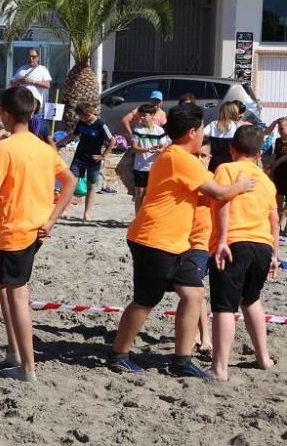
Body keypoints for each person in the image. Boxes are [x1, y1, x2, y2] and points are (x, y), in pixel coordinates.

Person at [109, 102, 257, 378]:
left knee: (194, 293)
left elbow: (195, 193)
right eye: (201, 129)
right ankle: (119, 354)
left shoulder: (177, 156)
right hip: (153, 238)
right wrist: (242, 185)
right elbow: (220, 193)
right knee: (145, 300)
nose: (203, 133)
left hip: (177, 242)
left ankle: (182, 359)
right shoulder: (180, 157)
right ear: (191, 132)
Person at [0, 87, 77, 382]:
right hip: (35, 228)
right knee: (3, 285)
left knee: (17, 293)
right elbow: (70, 182)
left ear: (7, 115)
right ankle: (14, 353)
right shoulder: (43, 148)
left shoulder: (7, 147)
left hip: (18, 230)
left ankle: (27, 368)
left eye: (0, 111)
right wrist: (51, 219)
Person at [209, 126, 278, 381]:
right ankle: (264, 358)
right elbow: (274, 220)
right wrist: (274, 253)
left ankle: (220, 368)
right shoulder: (266, 180)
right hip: (262, 245)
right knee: (251, 299)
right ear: (260, 153)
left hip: (235, 242)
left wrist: (222, 240)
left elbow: (224, 203)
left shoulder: (226, 169)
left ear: (231, 148)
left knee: (224, 306)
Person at [54, 103, 112, 221]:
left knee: (91, 185)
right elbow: (73, 135)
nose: (80, 119)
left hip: (93, 159)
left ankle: (87, 213)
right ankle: (65, 210)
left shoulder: (100, 125)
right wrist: (58, 143)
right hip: (79, 157)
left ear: (89, 114)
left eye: (82, 116)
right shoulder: (81, 123)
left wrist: (103, 155)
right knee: (71, 183)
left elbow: (112, 140)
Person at [189, 144, 213, 355]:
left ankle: (204, 336)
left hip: (204, 242)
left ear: (210, 157)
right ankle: (199, 334)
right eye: (196, 155)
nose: (199, 159)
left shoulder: (213, 180)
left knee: (197, 290)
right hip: (186, 241)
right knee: (194, 291)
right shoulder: (186, 179)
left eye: (203, 156)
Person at [130, 103, 170, 214]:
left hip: (154, 167)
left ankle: (147, 215)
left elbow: (164, 146)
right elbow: (134, 147)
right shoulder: (137, 130)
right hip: (140, 167)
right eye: (140, 115)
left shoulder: (159, 131)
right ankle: (137, 217)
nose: (141, 118)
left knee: (151, 193)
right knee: (139, 193)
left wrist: (159, 150)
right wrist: (147, 150)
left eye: (144, 115)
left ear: (152, 115)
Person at [202, 102, 242, 172]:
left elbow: (202, 135)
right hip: (231, 163)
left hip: (214, 163)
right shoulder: (237, 126)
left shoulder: (213, 124)